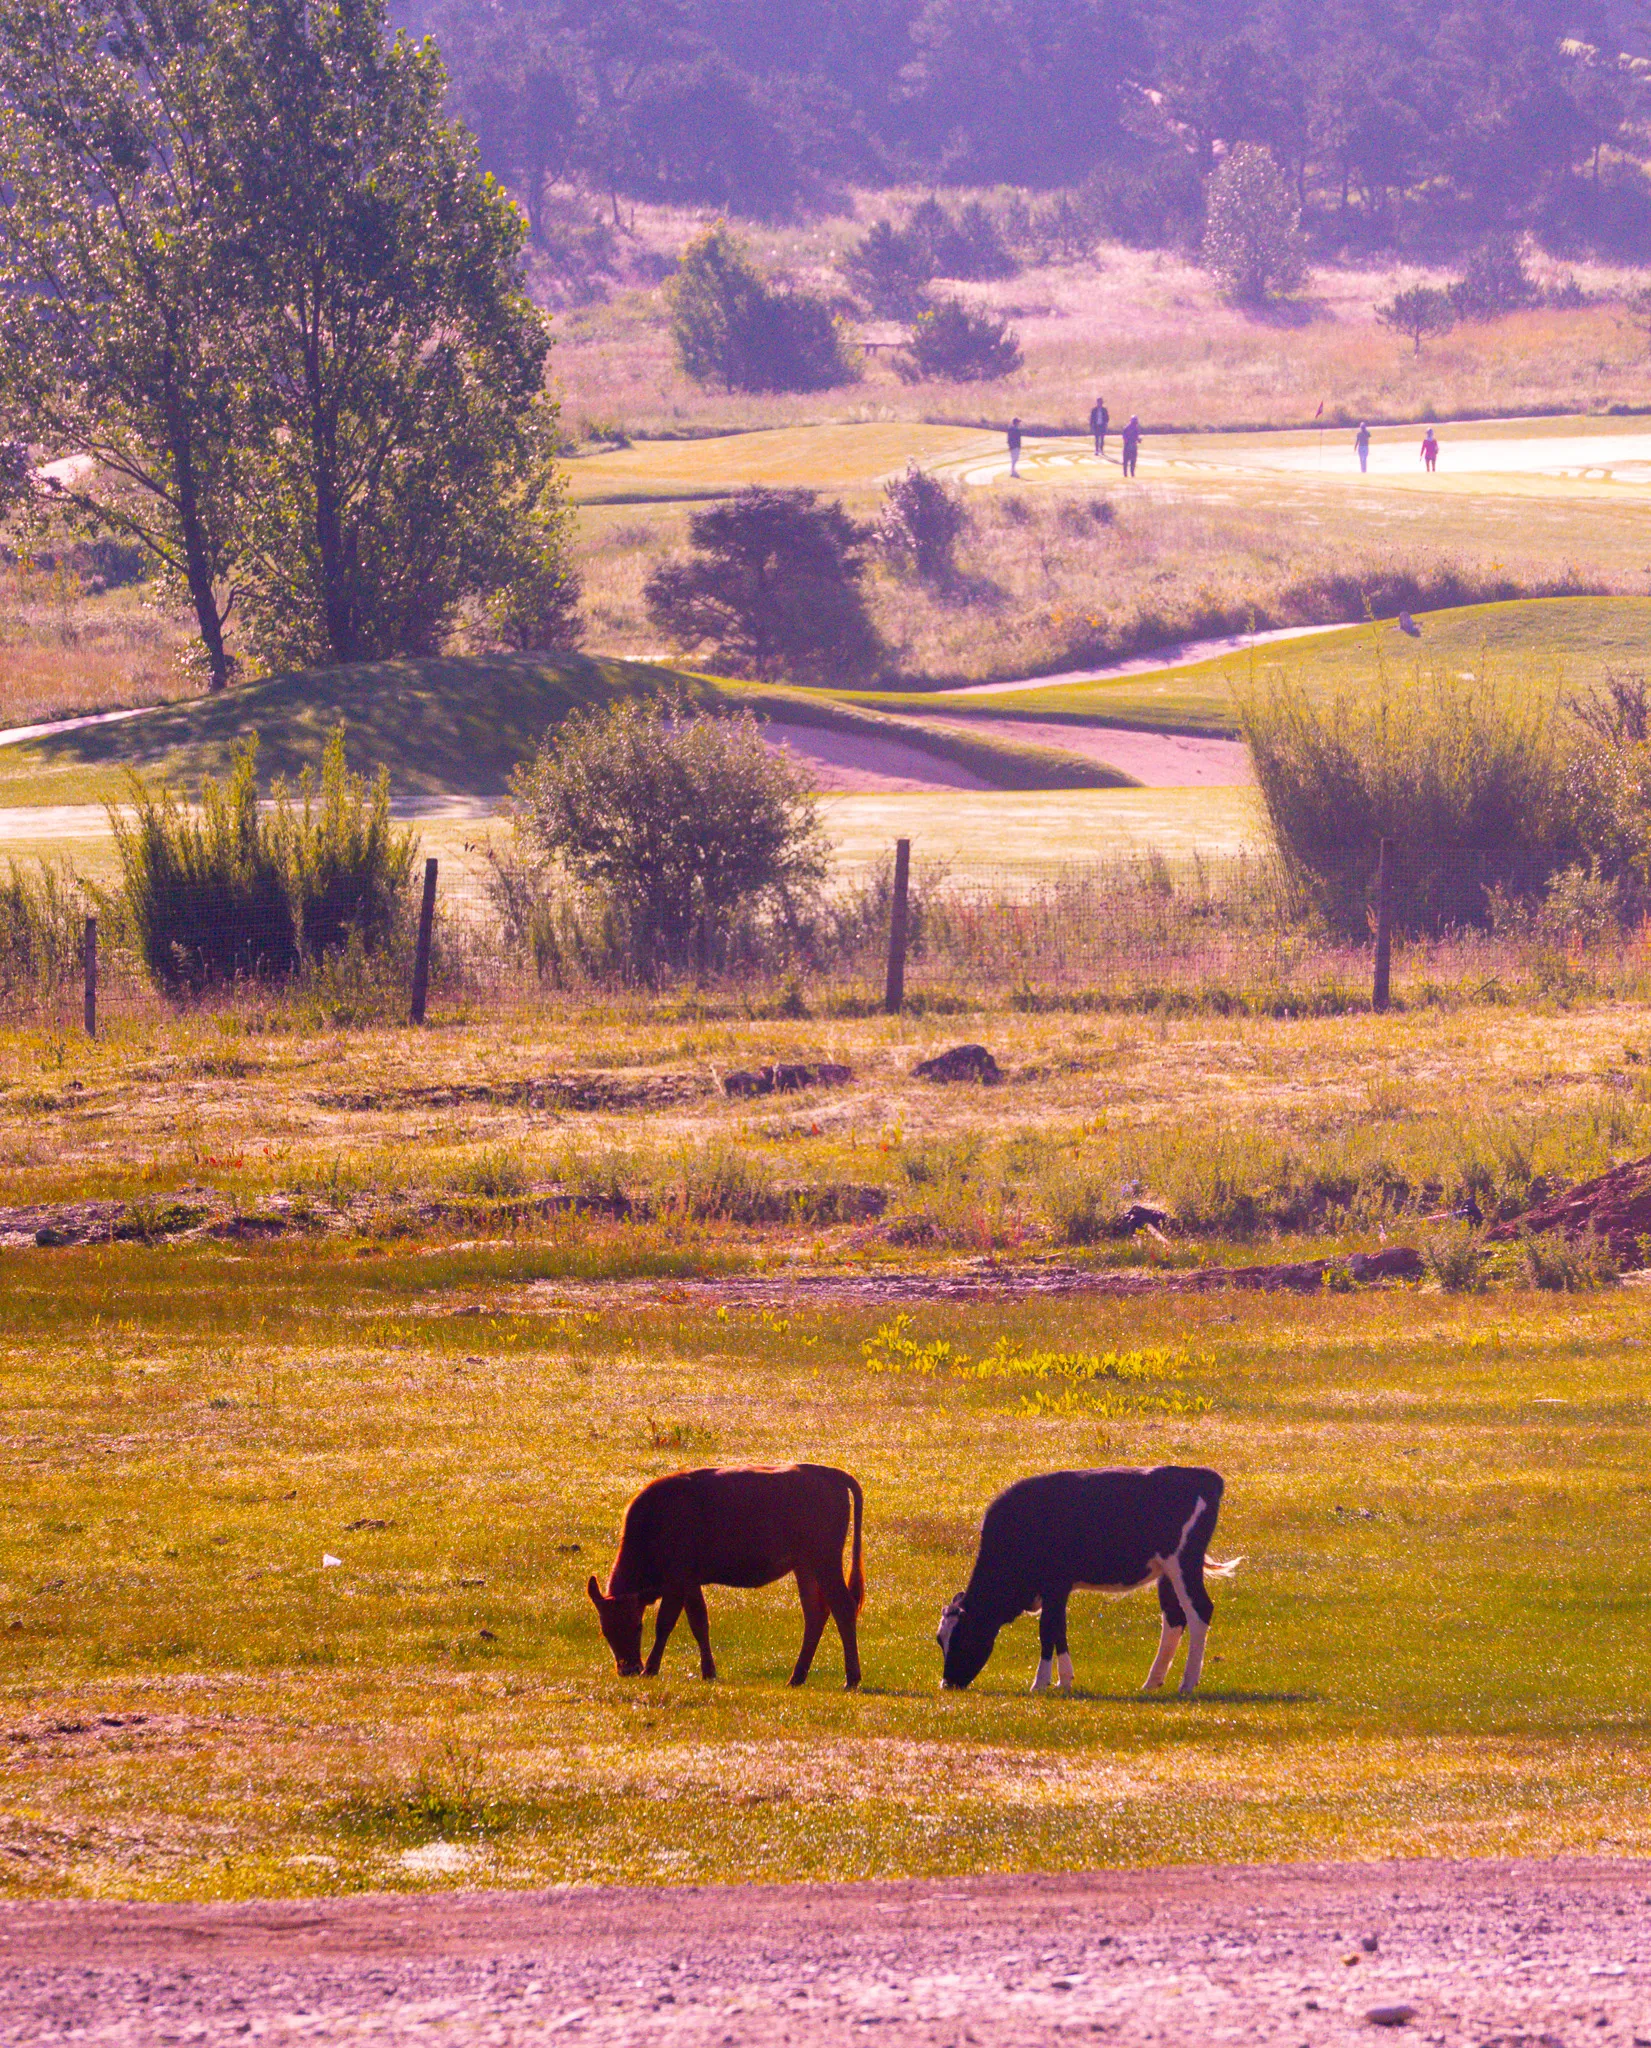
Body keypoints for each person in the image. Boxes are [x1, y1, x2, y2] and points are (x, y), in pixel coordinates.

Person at [1089, 394, 1109, 459]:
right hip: (1096, 425)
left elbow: (1107, 418)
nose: (1100, 403)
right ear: (1097, 402)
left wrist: (1105, 423)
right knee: (1097, 439)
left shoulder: (1104, 410)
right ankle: (1096, 450)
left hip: (1102, 425)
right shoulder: (1094, 410)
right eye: (1099, 402)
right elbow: (1091, 418)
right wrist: (1091, 425)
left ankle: (1101, 450)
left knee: (1102, 439)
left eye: (1101, 402)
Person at [1121, 414, 1141, 478]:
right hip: (1128, 447)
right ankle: (1126, 474)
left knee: (1132, 462)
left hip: (1132, 446)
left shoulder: (1136, 428)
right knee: (1126, 462)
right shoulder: (1126, 428)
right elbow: (1124, 437)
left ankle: (1131, 474)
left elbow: (1137, 437)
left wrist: (1138, 439)